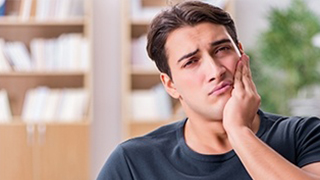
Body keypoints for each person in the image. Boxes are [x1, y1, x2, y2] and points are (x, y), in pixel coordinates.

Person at [97, 1, 320, 179]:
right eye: (191, 62)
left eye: (222, 49)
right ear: (170, 85)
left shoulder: (304, 135)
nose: (215, 70)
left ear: (241, 54)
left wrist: (238, 131)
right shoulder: (133, 163)